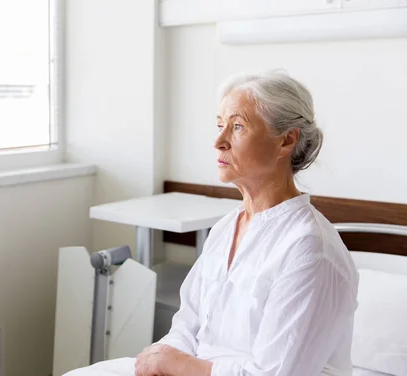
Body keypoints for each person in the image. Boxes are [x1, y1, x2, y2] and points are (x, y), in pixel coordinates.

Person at [64, 71, 359, 376]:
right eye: (220, 126)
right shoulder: (226, 228)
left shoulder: (309, 249)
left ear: (286, 140)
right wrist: (164, 364)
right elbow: (186, 326)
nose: (219, 141)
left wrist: (177, 364)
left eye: (238, 126)